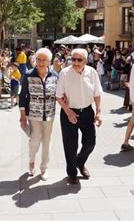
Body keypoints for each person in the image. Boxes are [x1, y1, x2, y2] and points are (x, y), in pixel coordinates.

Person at [56, 48, 103, 185]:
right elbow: (58, 96)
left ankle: (80, 162)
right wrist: (68, 111)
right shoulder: (65, 73)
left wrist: (99, 111)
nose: (75, 62)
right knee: (70, 145)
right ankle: (72, 173)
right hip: (68, 112)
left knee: (90, 143)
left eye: (79, 60)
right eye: (73, 59)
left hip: (87, 112)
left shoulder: (92, 72)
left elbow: (97, 93)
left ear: (86, 60)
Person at [19, 48, 58, 181]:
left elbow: (59, 94)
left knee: (47, 141)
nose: (40, 62)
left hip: (49, 114)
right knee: (35, 140)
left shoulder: (55, 76)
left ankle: (44, 168)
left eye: (44, 60)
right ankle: (31, 160)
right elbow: (22, 96)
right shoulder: (29, 75)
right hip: (33, 114)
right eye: (38, 59)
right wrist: (23, 116)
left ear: (49, 61)